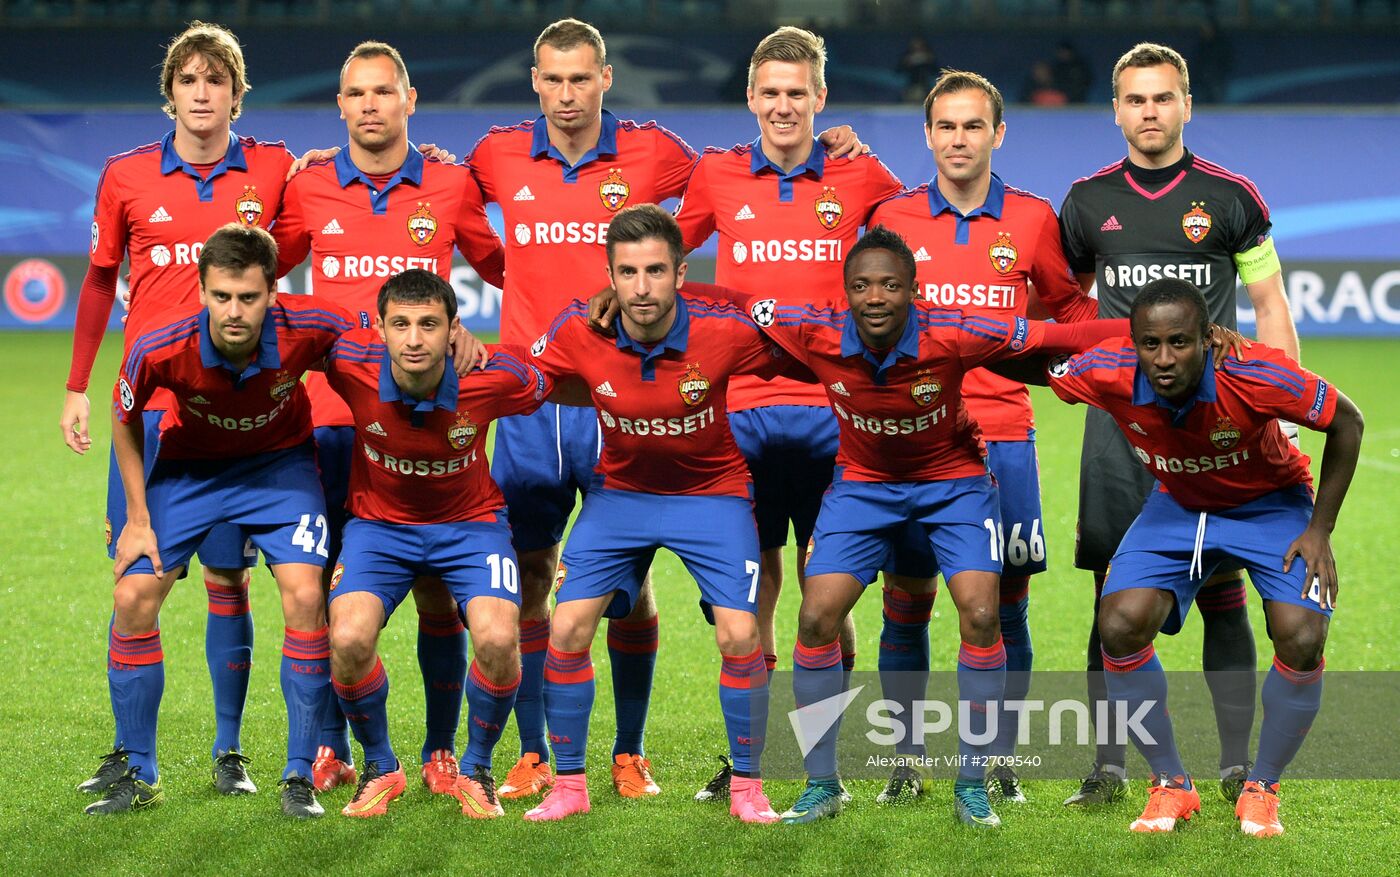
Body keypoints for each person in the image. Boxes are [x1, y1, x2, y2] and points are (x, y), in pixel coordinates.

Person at [465, 18, 862, 801]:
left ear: (606, 78)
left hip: (693, 400)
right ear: (536, 82)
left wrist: (835, 141)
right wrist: (514, 282)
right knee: (541, 572)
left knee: (786, 589)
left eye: (583, 77)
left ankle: (658, 752)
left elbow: (709, 215)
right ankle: (541, 754)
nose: (568, 92)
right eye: (554, 78)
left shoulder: (663, 152)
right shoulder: (493, 153)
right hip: (546, 388)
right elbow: (453, 213)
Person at [746, 226, 1131, 828]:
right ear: (845, 291)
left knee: (982, 612)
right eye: (863, 286)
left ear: (914, 290)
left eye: (891, 285)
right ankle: (823, 785)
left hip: (953, 483)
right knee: (817, 617)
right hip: (862, 485)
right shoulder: (812, 328)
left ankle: (971, 785)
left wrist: (1147, 330)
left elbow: (1059, 333)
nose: (876, 298)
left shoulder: (955, 330)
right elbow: (729, 308)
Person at [1057, 41, 1300, 806]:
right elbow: (1065, 307)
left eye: (1163, 98)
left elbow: (1269, 307)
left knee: (1224, 591)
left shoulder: (1230, 197)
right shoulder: (1086, 203)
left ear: (1187, 105)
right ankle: (1108, 767)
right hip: (1121, 433)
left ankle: (1232, 766)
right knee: (1111, 596)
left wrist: (1283, 408)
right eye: (1135, 99)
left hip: (1213, 432)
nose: (1150, 112)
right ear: (1117, 109)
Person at [1032, 278, 1362, 836]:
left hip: (1270, 505)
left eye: (1180, 343)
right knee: (1118, 622)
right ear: (1134, 342)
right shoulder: (1109, 367)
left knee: (1302, 637)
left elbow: (1347, 421)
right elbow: (1038, 364)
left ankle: (1263, 788)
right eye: (1150, 344)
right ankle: (1171, 785)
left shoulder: (1256, 373)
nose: (1164, 359)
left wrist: (1319, 530)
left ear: (1209, 339)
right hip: (1178, 504)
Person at [670, 25, 903, 803]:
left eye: (796, 92)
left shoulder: (861, 175)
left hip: (837, 415)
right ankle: (757, 752)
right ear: (750, 97)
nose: (782, 105)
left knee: (826, 589)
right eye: (768, 92)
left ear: (819, 98)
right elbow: (661, 255)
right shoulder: (716, 174)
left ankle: (827, 759)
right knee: (753, 588)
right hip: (742, 415)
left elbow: (924, 231)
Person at [64, 21, 293, 800]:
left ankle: (230, 755)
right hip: (149, 416)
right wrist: (74, 385)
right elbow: (100, 280)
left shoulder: (274, 168)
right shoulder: (126, 175)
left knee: (229, 579)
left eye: (216, 79)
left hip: (237, 416)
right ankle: (137, 760)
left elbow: (304, 241)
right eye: (188, 80)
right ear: (170, 93)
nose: (202, 93)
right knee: (136, 582)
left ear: (236, 92)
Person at [271, 39, 507, 798]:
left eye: (383, 92)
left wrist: (480, 336)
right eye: (356, 94)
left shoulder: (451, 182)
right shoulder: (306, 189)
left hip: (426, 418)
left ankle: (441, 749)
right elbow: (252, 273)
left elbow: (506, 270)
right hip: (330, 420)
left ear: (409, 100)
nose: (370, 106)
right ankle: (336, 747)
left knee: (438, 590)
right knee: (336, 589)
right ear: (339, 106)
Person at [520, 204, 802, 824]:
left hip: (713, 494)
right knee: (566, 629)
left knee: (740, 634)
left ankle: (748, 789)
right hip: (619, 495)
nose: (641, 288)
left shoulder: (724, 330)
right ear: (610, 277)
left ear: (679, 272)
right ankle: (569, 787)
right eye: (626, 273)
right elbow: (525, 378)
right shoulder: (579, 329)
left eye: (655, 271)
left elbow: (804, 343)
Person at [865, 69, 1101, 806]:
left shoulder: (1031, 220)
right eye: (945, 126)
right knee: (907, 596)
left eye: (973, 126)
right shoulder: (891, 217)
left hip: (1002, 439)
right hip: (913, 440)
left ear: (998, 133)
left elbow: (1070, 315)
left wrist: (1082, 369)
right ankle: (905, 759)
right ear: (927, 134)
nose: (958, 139)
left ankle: (1000, 756)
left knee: (1004, 603)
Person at [86, 224, 354, 818]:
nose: (235, 312)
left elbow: (378, 344)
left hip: (280, 471)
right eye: (221, 296)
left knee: (305, 594)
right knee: (132, 595)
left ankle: (298, 774)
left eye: (249, 297)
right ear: (202, 290)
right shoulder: (159, 343)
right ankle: (139, 769)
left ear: (273, 292)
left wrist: (458, 334)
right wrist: (136, 518)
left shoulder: (314, 326)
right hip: (192, 470)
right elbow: (124, 414)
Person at [321, 270, 551, 818]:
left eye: (429, 325)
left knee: (498, 639)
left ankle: (475, 767)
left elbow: (553, 376)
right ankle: (381, 765)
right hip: (379, 528)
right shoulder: (348, 363)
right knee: (348, 638)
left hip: (471, 526)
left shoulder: (492, 377)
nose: (414, 339)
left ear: (454, 329)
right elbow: (292, 336)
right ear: (380, 330)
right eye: (400, 325)